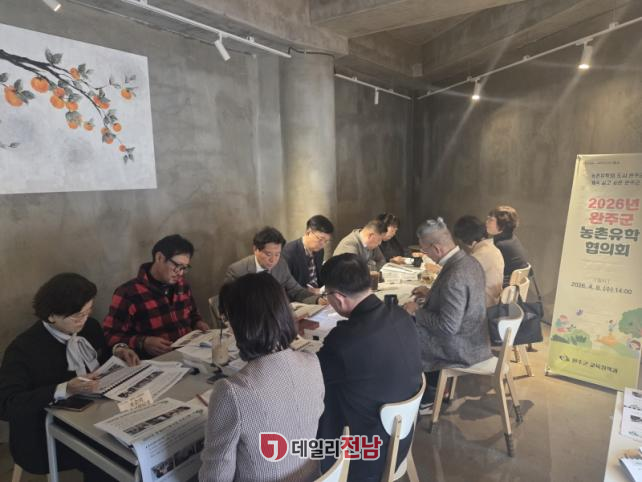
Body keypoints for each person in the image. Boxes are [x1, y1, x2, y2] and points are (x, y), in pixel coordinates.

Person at [0, 273, 139, 479]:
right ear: (51, 316)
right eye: (77, 316)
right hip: (42, 434)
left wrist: (118, 350)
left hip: (93, 416)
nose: (84, 320)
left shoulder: (88, 328)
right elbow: (6, 404)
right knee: (111, 457)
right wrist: (64, 389)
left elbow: (99, 357)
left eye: (88, 311)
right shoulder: (24, 349)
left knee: (136, 445)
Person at [199, 273, 325, 482]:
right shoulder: (312, 362)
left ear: (241, 324)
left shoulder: (231, 392)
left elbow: (215, 476)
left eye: (228, 320)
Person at [317, 254, 422, 481]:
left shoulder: (344, 341)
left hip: (367, 454)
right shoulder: (401, 315)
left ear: (338, 297)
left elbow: (313, 380)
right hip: (401, 438)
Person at [403, 218, 490, 415]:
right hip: (475, 337)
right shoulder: (469, 261)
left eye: (425, 251)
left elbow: (448, 326)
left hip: (461, 345)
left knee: (402, 335)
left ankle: (426, 397)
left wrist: (416, 311)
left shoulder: (455, 275)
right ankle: (433, 388)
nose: (426, 255)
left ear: (437, 248)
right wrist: (431, 294)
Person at [103, 234, 208, 359]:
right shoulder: (128, 293)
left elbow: (193, 314)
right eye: (177, 266)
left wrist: (198, 322)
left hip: (188, 354)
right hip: (156, 361)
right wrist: (143, 342)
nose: (180, 273)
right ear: (159, 258)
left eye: (184, 268)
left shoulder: (182, 285)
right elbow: (110, 335)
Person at [224, 226, 320, 304]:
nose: (273, 260)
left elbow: (297, 291)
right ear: (255, 249)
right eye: (268, 254)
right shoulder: (237, 271)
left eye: (277, 254)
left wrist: (318, 300)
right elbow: (228, 304)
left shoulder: (281, 264)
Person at [453, 215, 505, 307]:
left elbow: (457, 284)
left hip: (482, 307)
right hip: (493, 302)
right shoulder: (493, 249)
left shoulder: (478, 257)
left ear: (466, 239)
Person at [282, 215, 334, 289]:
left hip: (318, 291)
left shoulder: (319, 251)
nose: (323, 244)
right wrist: (312, 291)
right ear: (308, 232)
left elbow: (318, 278)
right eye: (320, 239)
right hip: (299, 294)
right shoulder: (289, 252)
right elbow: (286, 285)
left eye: (326, 241)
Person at [486, 205, 529, 286]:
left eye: (491, 219)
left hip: (503, 287)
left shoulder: (499, 246)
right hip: (513, 288)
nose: (486, 221)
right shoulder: (513, 239)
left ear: (502, 225)